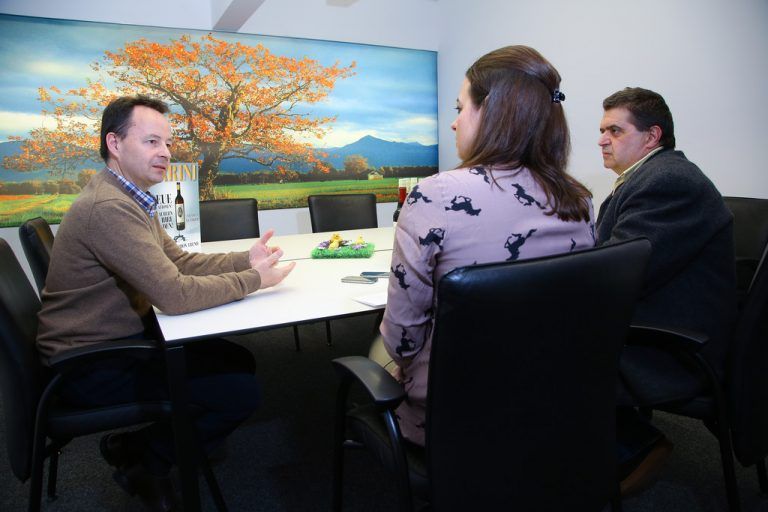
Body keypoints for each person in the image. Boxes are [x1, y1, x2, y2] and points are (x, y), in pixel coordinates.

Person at [36, 95, 296, 511]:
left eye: (168, 144)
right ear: (115, 144)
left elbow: (178, 261)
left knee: (236, 361)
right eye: (152, 142)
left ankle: (133, 444)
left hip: (111, 341)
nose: (166, 153)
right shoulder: (109, 208)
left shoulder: (128, 195)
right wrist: (254, 280)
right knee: (240, 392)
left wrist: (243, 259)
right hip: (90, 364)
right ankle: (148, 463)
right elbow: (174, 294)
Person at [376, 45, 596, 446]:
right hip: (554, 397)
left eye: (460, 108)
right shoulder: (578, 200)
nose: (455, 124)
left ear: (491, 111)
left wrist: (399, 364)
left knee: (379, 347)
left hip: (455, 411)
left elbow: (403, 339)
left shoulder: (435, 195)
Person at [595, 87, 737, 495]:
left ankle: (634, 448)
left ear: (652, 136)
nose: (602, 140)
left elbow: (619, 273)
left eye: (614, 131)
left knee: (539, 343)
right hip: (663, 320)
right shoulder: (651, 177)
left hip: (672, 346)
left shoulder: (667, 182)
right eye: (602, 130)